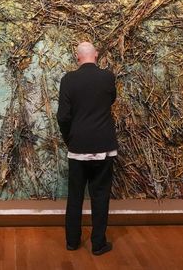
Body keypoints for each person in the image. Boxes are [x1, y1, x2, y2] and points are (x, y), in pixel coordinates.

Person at [56, 41, 118, 256]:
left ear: (77, 57)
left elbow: (63, 116)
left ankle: (72, 241)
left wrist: (69, 138)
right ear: (97, 55)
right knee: (100, 196)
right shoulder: (108, 77)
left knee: (75, 196)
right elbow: (110, 101)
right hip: (104, 145)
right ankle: (98, 244)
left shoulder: (68, 80)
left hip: (78, 146)